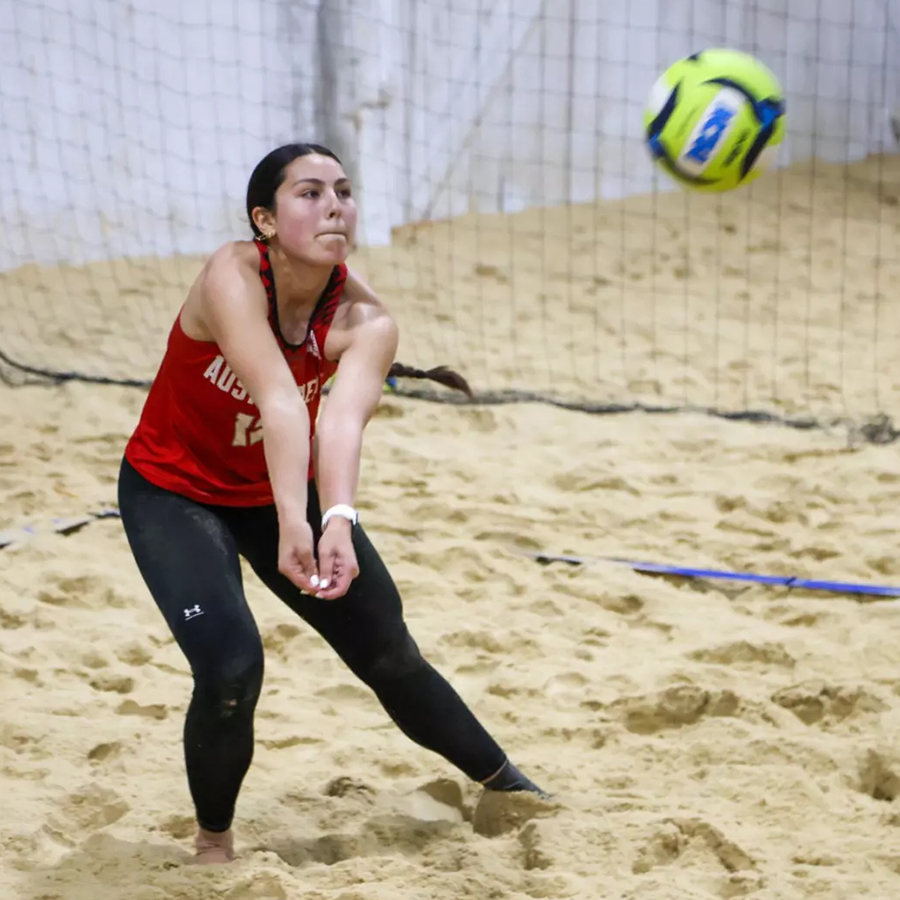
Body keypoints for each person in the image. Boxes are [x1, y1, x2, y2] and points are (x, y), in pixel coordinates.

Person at [118, 142, 547, 865]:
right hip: (174, 489)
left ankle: (508, 784)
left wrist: (336, 519)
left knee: (388, 650)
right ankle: (213, 844)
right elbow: (283, 403)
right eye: (309, 193)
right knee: (230, 668)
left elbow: (338, 425)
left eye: (343, 191)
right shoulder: (232, 274)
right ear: (264, 218)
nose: (334, 205)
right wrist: (297, 523)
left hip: (276, 489)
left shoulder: (367, 322)